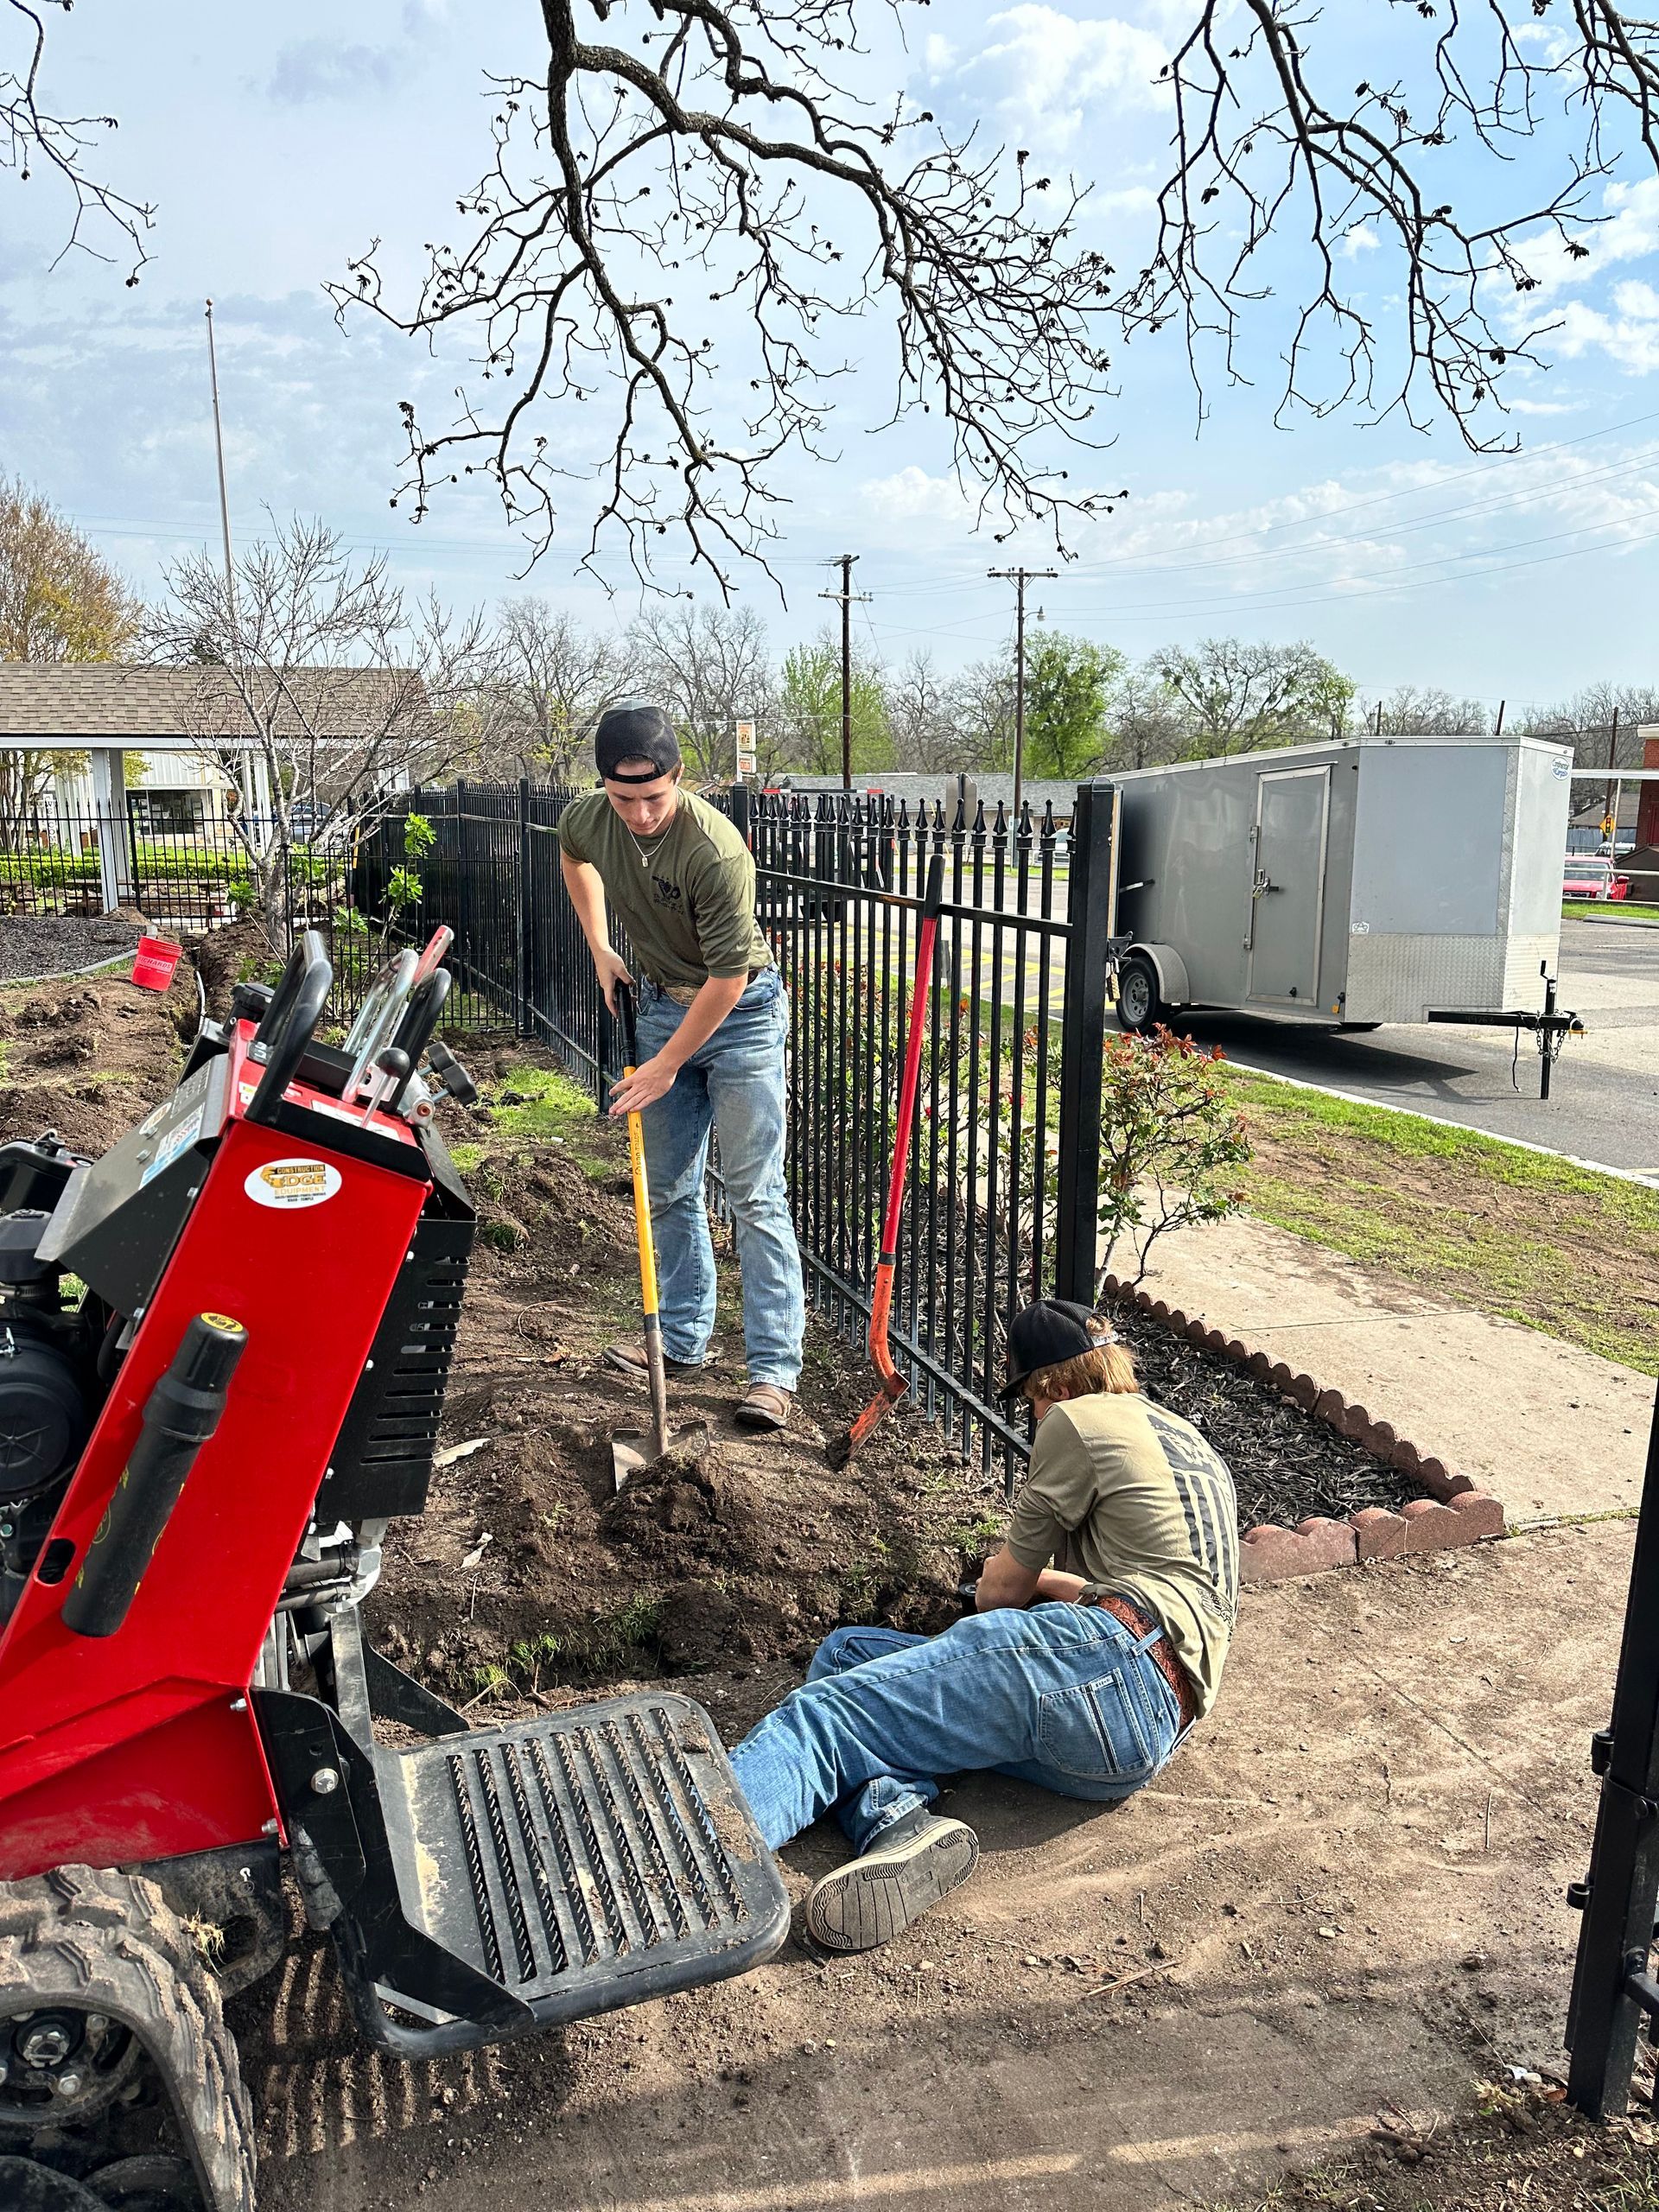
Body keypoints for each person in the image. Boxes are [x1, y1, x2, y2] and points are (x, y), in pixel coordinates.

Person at [728, 1298, 1239, 1950]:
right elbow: (1111, 1592)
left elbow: (1002, 1594)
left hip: (1109, 1661)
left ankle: (683, 1865)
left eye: (1028, 1399)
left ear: (1050, 1384)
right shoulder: (1182, 1440)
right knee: (848, 1654)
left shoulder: (1076, 1420)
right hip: (1141, 1736)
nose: (1031, 1413)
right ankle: (900, 1827)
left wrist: (985, 1583)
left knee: (828, 1716)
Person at [557, 702, 804, 1432]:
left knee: (756, 1194)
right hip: (664, 1003)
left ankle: (773, 1373)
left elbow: (729, 980)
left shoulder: (715, 850)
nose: (637, 814)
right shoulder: (590, 816)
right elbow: (573, 857)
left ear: (679, 778)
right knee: (666, 1188)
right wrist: (600, 943)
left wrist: (664, 1066)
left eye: (653, 797)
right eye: (623, 797)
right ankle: (684, 1340)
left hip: (743, 1018)